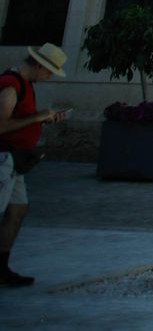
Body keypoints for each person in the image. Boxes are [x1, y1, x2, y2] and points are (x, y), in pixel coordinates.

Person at [0, 44, 69, 288]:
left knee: (18, 209)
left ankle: (2, 267)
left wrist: (44, 118)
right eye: (49, 71)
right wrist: (37, 117)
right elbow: (2, 125)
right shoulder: (11, 85)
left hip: (17, 160)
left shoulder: (26, 85)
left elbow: (22, 120)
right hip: (4, 157)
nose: (49, 77)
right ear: (38, 65)